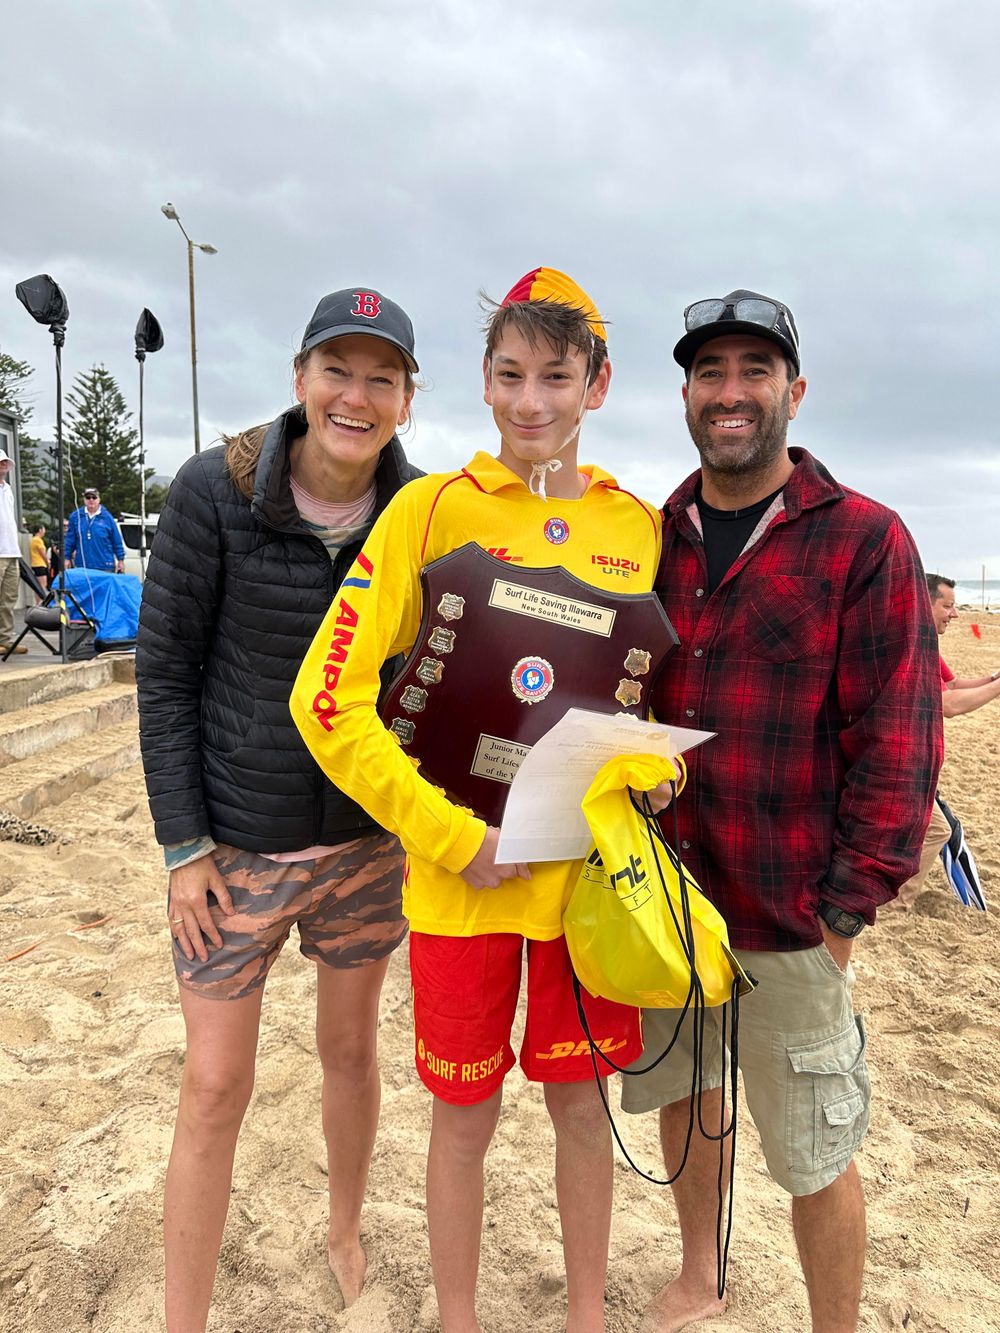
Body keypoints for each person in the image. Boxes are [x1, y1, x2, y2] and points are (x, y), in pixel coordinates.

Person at [291, 269, 664, 1333]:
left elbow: (641, 707)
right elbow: (325, 699)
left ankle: (585, 1314)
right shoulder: (428, 508)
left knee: (581, 1111)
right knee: (462, 1120)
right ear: (483, 383)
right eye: (509, 374)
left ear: (598, 385)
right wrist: (451, 835)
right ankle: (458, 1318)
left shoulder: (635, 529)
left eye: (556, 375)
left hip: (586, 898)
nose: (531, 400)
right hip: (458, 891)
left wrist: (649, 764)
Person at [621, 290, 943, 1333]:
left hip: (795, 909)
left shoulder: (863, 540)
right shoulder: (650, 539)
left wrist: (846, 912)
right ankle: (699, 1275)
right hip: (665, 896)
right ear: (683, 396)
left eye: (753, 371)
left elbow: (899, 736)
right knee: (685, 1098)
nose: (730, 392)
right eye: (710, 372)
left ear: (791, 393)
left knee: (814, 1142)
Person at [136, 286, 421, 1333]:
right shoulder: (213, 492)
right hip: (234, 851)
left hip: (361, 845)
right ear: (300, 380)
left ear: (405, 398)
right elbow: (165, 679)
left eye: (379, 377)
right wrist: (182, 847)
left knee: (351, 1055)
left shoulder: (418, 511)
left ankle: (342, 1226)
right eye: (336, 371)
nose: (356, 396)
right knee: (214, 1085)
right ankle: (183, 1317)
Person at [894, 573, 1000, 906]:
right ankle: (897, 903)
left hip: (915, 758)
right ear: (926, 603)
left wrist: (994, 677)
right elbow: (949, 706)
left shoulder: (924, 642)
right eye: (949, 606)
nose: (954, 614)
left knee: (928, 828)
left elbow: (953, 686)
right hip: (898, 756)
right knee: (937, 829)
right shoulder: (910, 644)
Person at [0, 450, 27, 655]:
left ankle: (5, 638)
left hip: (11, 550)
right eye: (1, 463)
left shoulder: (8, 489)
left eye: (5, 463)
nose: (3, 466)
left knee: (9, 598)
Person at [64, 487, 125, 572]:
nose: (91, 500)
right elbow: (70, 540)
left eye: (94, 497)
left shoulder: (107, 517)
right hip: (83, 565)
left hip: (105, 565)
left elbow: (116, 540)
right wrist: (66, 558)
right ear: (84, 500)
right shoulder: (75, 517)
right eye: (88, 497)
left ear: (99, 499)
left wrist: (120, 560)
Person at [29, 524, 48, 598]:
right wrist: (47, 562)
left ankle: (39, 603)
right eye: (44, 529)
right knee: (42, 585)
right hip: (40, 564)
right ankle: (40, 603)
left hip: (36, 564)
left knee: (39, 585)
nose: (44, 531)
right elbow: (43, 553)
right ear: (40, 530)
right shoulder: (38, 540)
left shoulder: (34, 539)